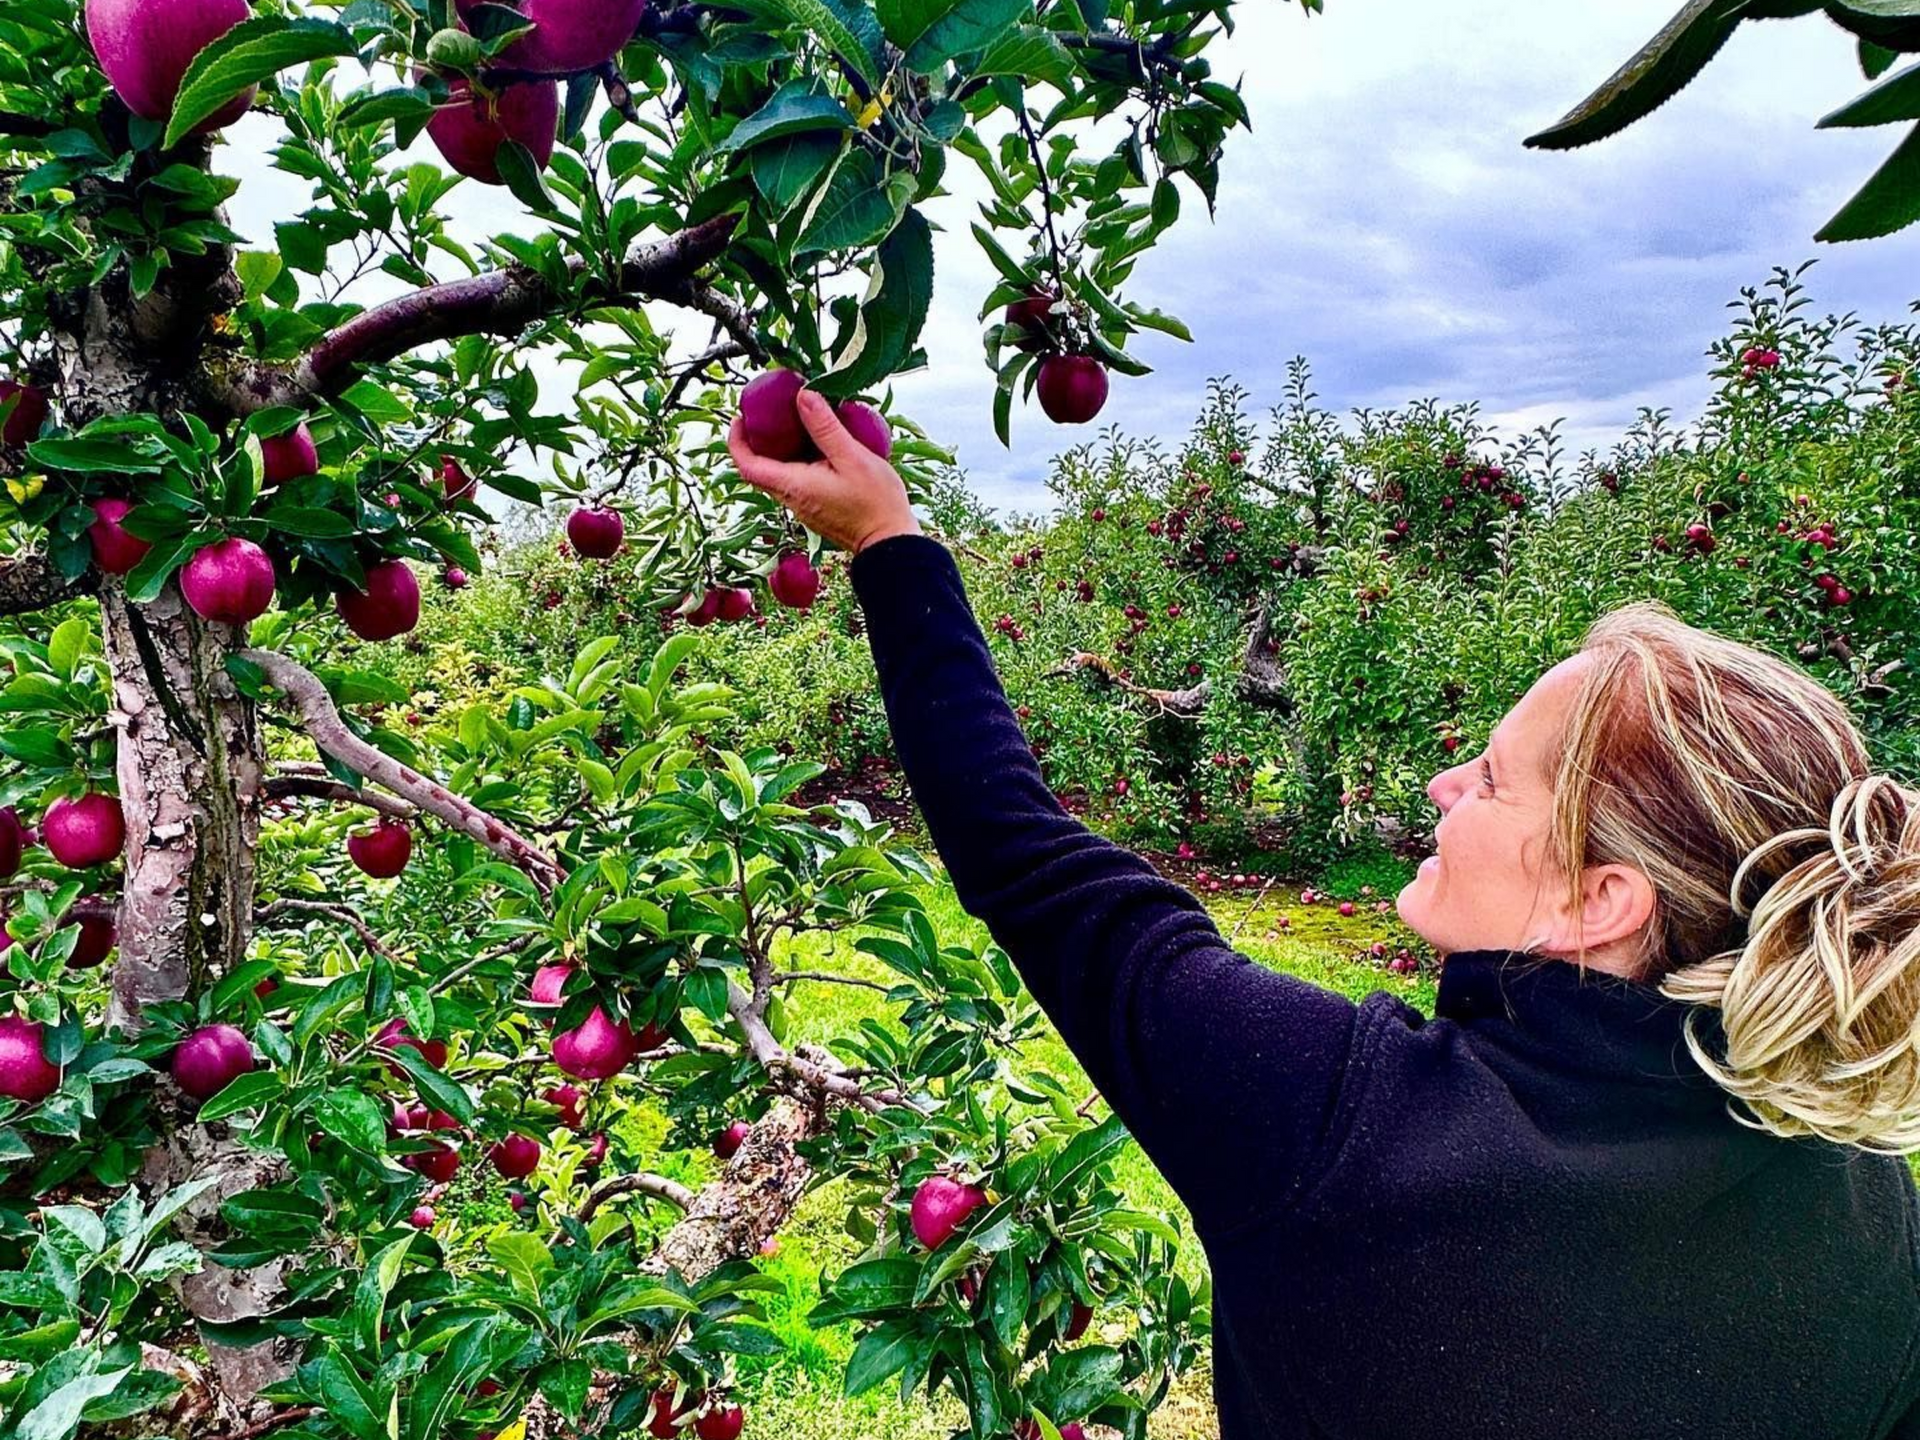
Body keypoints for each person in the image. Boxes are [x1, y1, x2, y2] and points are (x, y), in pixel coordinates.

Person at [728, 391, 1920, 1440]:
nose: (1444, 785)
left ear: (1598, 902)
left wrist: (888, 541)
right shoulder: (1861, 1192)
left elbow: (1026, 859)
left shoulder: (1342, 1127)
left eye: (1495, 779)